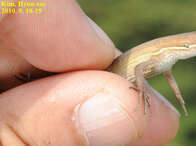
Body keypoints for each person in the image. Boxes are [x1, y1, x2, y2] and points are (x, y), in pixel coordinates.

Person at [0, 1, 179, 145]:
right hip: (100, 75)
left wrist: (179, 97)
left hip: (99, 77)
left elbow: (168, 77)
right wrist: (141, 89)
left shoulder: (168, 59)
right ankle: (31, 79)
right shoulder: (163, 55)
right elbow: (139, 68)